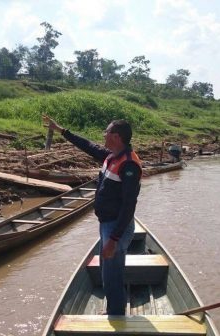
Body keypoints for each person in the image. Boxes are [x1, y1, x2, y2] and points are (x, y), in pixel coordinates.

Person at [43, 115, 142, 315]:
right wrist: (61, 130)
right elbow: (87, 145)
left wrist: (114, 239)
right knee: (108, 269)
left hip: (116, 227)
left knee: (111, 272)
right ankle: (115, 307)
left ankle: (116, 313)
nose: (103, 135)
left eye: (106, 132)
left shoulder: (129, 164)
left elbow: (129, 205)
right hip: (107, 223)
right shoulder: (111, 155)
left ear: (115, 136)